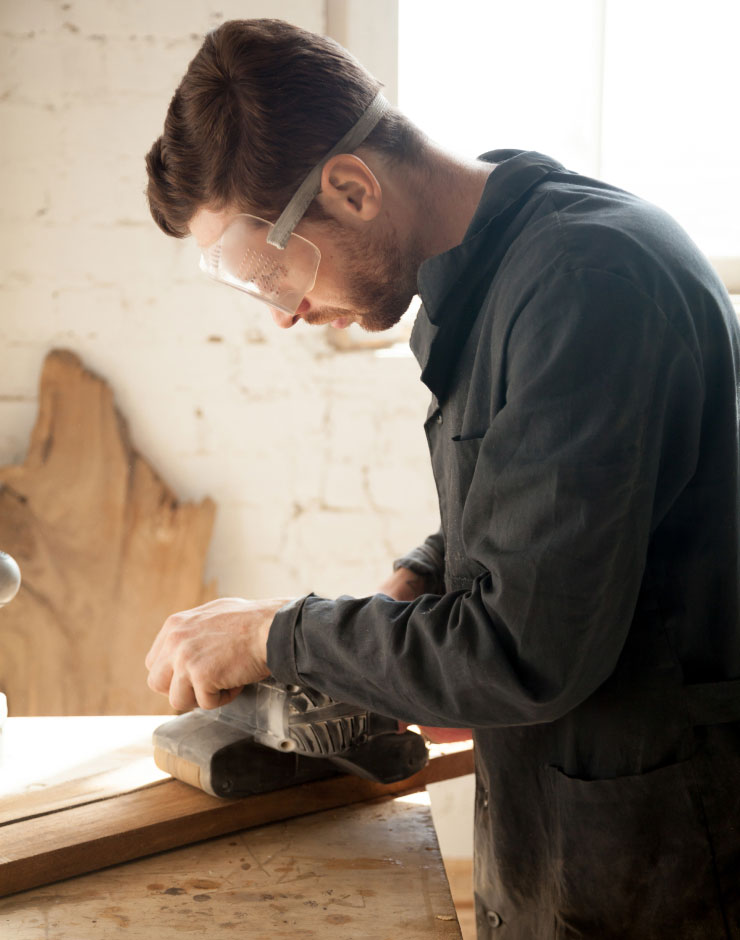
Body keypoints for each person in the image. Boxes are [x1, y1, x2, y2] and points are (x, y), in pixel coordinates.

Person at [143, 18, 740, 939]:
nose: (288, 314)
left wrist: (279, 634)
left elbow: (519, 651)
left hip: (663, 857)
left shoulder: (587, 279)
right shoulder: (495, 271)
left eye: (274, 274)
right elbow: (557, 498)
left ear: (348, 187)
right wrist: (426, 574)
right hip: (570, 828)